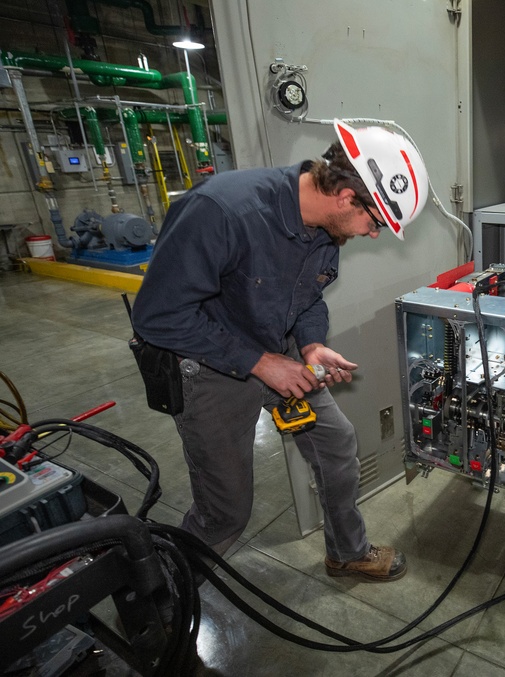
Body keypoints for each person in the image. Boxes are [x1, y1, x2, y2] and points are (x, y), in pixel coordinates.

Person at [131, 119, 429, 582]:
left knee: (336, 443)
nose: (373, 235)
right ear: (347, 196)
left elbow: (308, 297)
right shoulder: (223, 211)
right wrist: (261, 364)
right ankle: (161, 595)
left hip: (279, 351)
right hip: (208, 367)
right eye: (375, 222)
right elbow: (156, 316)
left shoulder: (327, 229)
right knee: (226, 510)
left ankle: (346, 552)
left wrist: (310, 344)